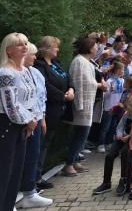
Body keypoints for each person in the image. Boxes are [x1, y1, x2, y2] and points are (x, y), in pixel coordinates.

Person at [0, 33, 37, 211]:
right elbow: (10, 106)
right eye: (19, 44)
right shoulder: (5, 73)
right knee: (1, 173)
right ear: (8, 50)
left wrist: (32, 118)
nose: (24, 47)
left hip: (21, 124)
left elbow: (30, 99)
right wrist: (29, 120)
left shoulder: (25, 71)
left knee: (14, 174)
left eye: (25, 43)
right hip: (6, 124)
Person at [33, 36, 73, 189]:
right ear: (47, 48)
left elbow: (67, 78)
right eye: (55, 46)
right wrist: (63, 96)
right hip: (48, 109)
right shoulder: (40, 65)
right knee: (41, 143)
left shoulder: (56, 63)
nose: (58, 49)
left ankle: (38, 174)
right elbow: (45, 86)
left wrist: (71, 89)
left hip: (59, 109)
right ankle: (35, 177)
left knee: (46, 142)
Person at [18, 43, 53, 209]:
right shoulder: (13, 73)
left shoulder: (35, 72)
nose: (35, 57)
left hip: (36, 119)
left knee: (33, 155)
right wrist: (27, 119)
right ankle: (13, 195)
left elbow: (41, 97)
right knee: (19, 159)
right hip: (22, 122)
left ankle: (30, 192)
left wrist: (42, 118)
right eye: (32, 54)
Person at [63, 37, 101, 177]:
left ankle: (75, 160)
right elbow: (78, 83)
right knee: (80, 134)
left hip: (87, 103)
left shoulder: (86, 62)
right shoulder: (79, 61)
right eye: (95, 46)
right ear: (89, 47)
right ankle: (69, 164)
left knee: (82, 135)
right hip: (81, 104)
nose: (97, 48)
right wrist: (99, 85)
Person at [92, 95, 132, 196]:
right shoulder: (127, 114)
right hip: (122, 138)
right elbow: (120, 126)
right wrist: (119, 135)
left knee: (124, 153)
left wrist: (128, 137)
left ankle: (123, 180)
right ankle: (106, 183)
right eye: (130, 109)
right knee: (109, 156)